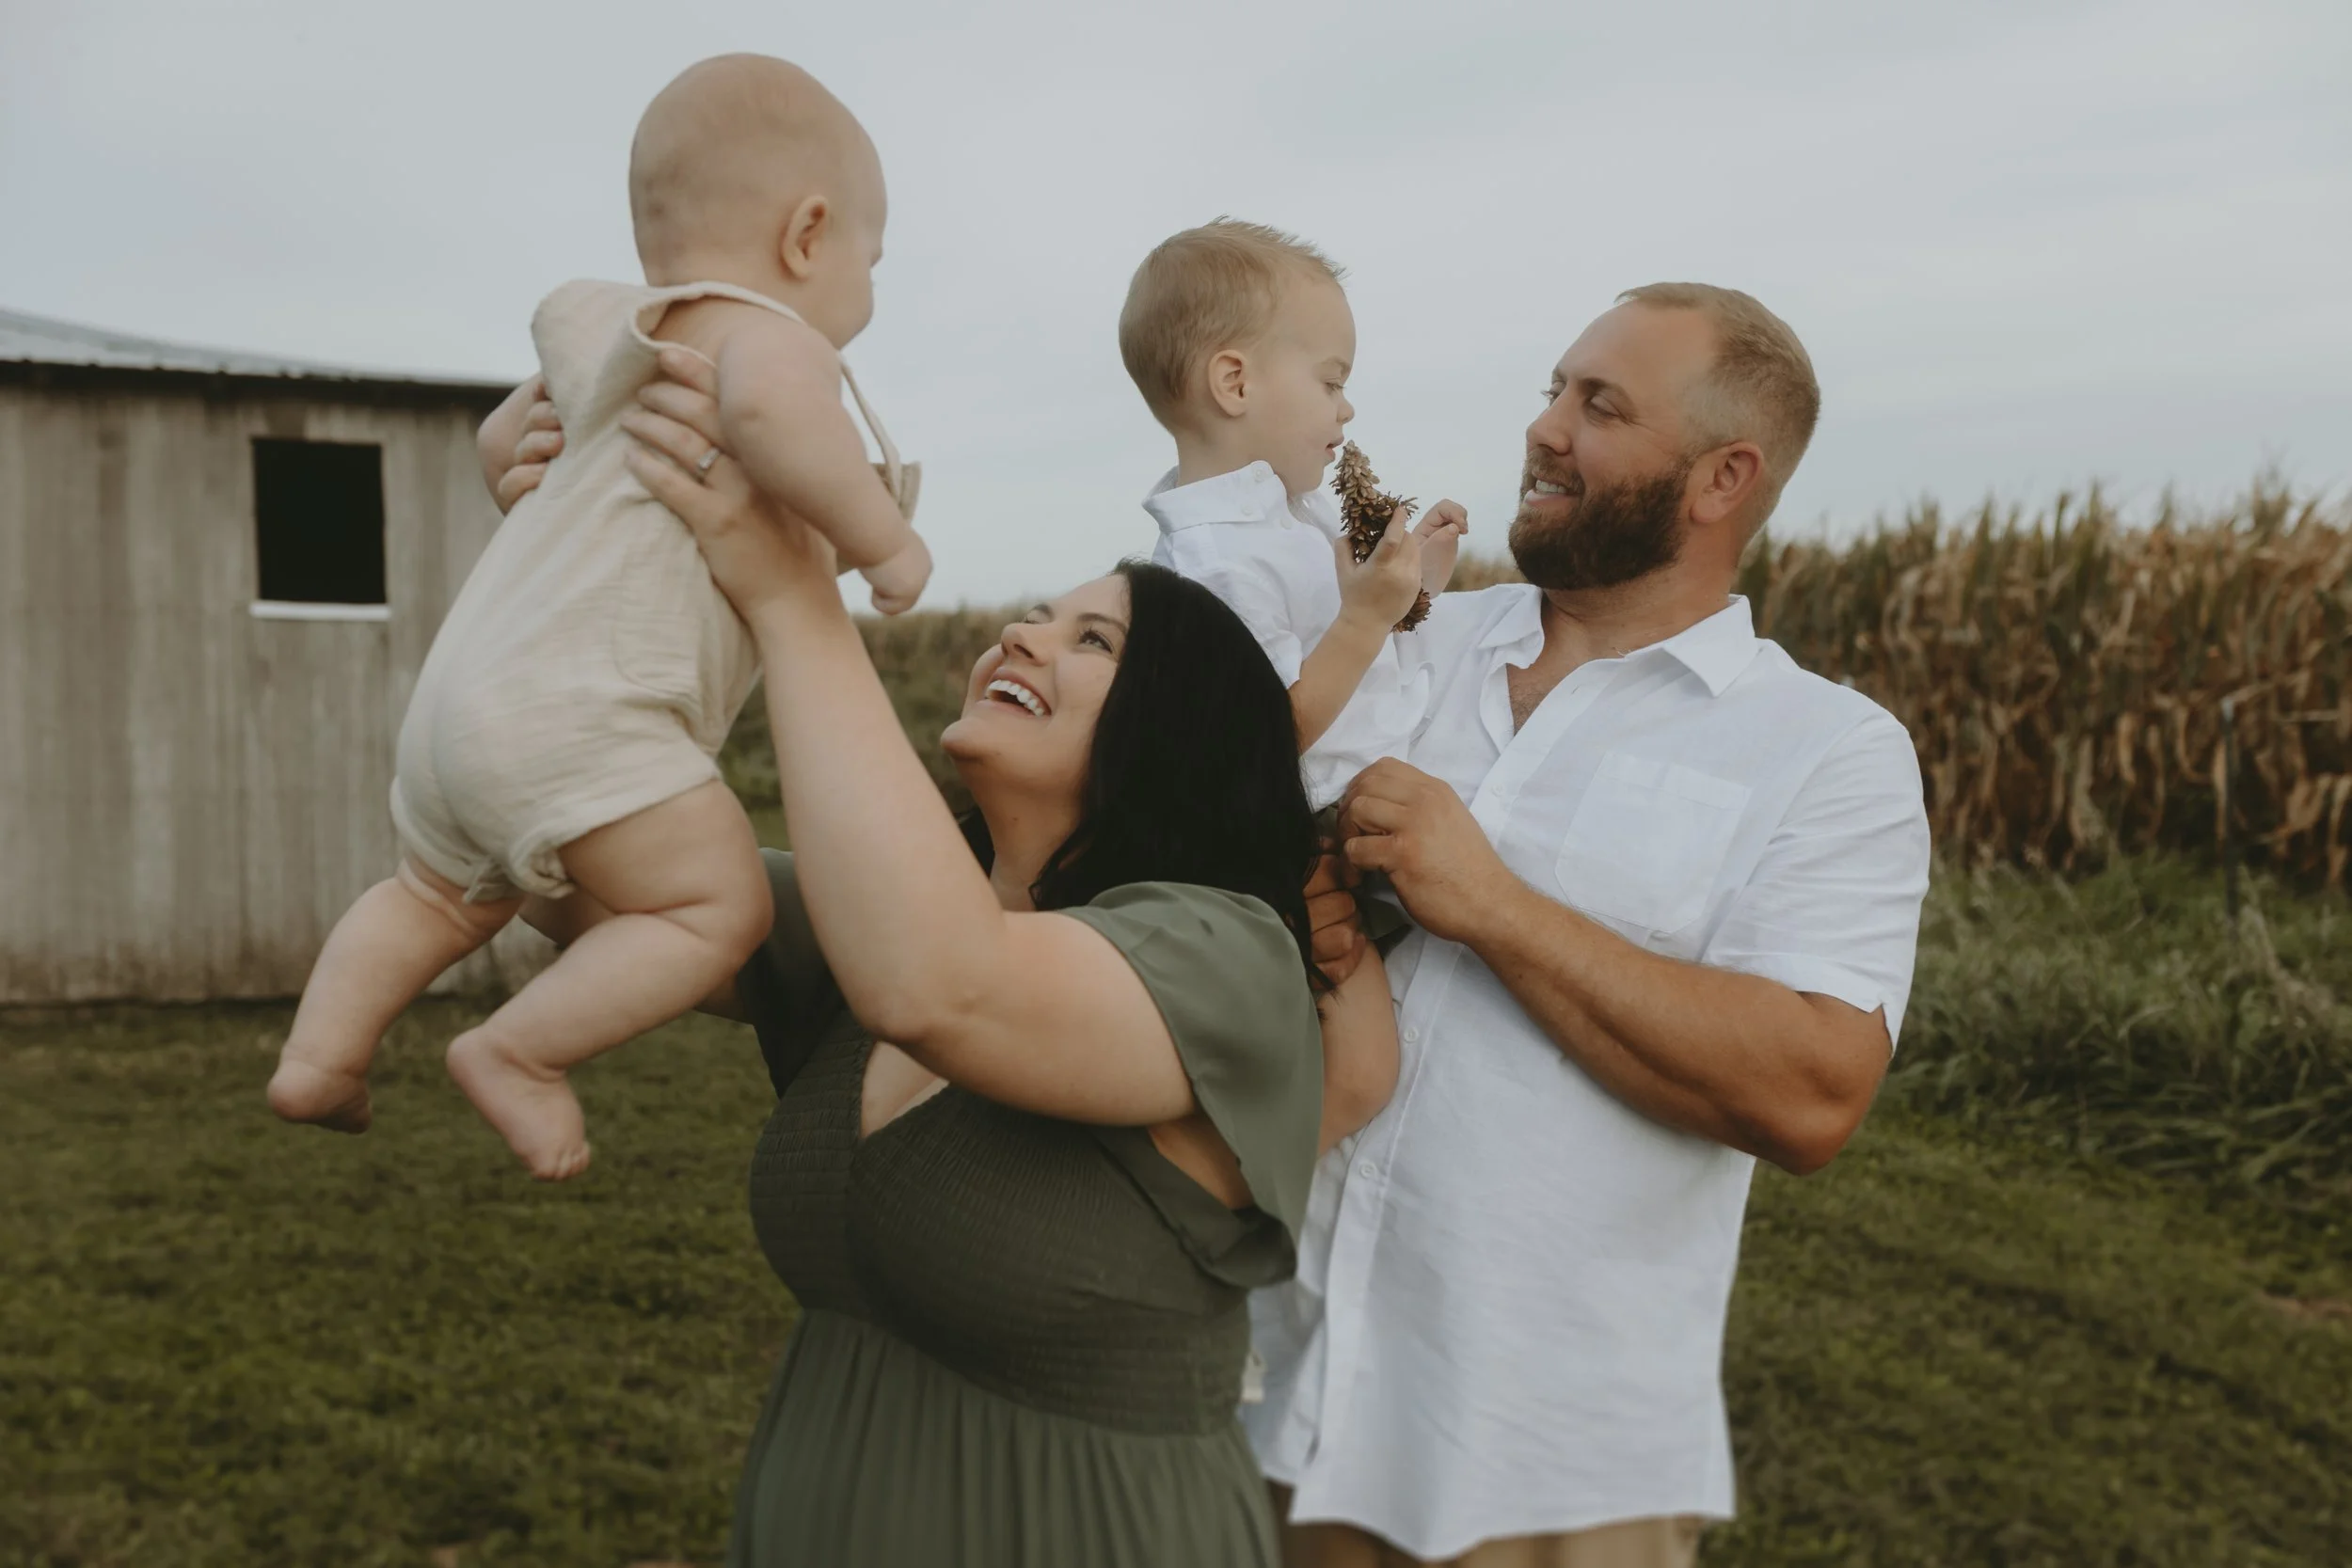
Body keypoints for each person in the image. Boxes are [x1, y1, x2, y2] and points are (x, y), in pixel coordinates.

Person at [487, 342, 1404, 1564]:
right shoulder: (868, 917)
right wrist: (565, 547)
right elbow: (545, 869)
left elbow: (941, 985)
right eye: (1035, 614)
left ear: (1180, 735)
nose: (1024, 637)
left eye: (1094, 641)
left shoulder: (1222, 954)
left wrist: (797, 596)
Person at [1253, 283, 1934, 1567]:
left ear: (1722, 476)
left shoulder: (1827, 750)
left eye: (1599, 404)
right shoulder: (1408, 640)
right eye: (1554, 389)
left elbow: (1811, 1092)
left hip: (1533, 1463)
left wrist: (1495, 905)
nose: (1545, 427)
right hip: (1254, 1387)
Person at [266, 55, 930, 1180]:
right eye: (875, 255)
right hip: (583, 711)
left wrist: (507, 470)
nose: (872, 283)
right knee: (714, 903)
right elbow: (773, 410)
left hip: (460, 703)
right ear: (807, 236)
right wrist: (886, 541)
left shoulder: (610, 339)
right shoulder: (765, 336)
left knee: (431, 892)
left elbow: (502, 440)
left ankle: (320, 1055)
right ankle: (520, 1052)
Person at [1121, 219, 1468, 813]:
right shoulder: (1213, 566)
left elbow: (1340, 632)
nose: (1347, 406)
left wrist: (1407, 586)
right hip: (1331, 825)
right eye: (1332, 382)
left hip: (1400, 782)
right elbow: (1265, 737)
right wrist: (1364, 619)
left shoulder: (1289, 512)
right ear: (1235, 384)